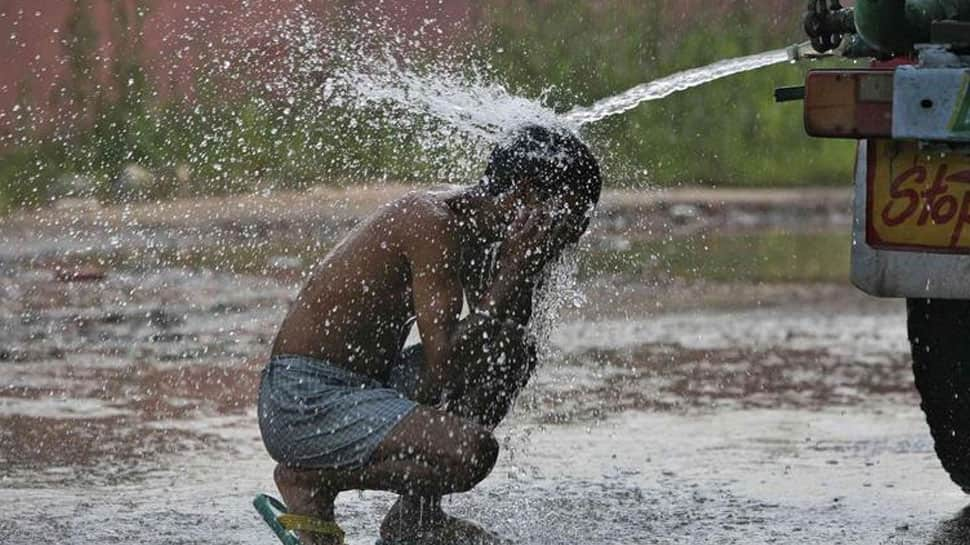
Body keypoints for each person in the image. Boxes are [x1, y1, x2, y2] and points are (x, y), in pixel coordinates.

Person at [257, 124, 602, 545]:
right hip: (304, 400)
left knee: (512, 351)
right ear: (526, 194)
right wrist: (513, 270)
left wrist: (521, 272)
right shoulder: (432, 222)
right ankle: (309, 479)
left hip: (368, 388)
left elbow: (496, 338)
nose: (578, 230)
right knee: (471, 453)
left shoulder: (485, 227)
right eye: (572, 213)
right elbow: (447, 360)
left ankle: (416, 517)